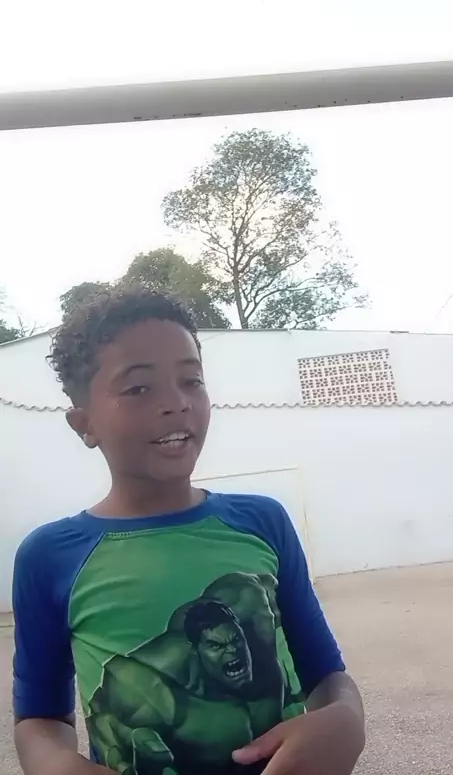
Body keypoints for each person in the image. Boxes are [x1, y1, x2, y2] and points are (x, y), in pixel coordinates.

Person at [12, 286, 365, 775]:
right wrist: (55, 765)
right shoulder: (50, 555)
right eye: (139, 388)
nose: (176, 403)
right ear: (84, 424)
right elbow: (40, 718)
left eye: (191, 381)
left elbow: (326, 675)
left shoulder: (263, 522)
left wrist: (347, 719)